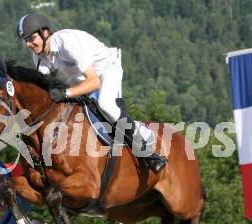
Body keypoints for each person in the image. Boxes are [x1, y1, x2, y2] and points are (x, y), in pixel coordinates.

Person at [16, 13, 166, 174]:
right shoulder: (38, 56)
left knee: (105, 105)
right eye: (26, 40)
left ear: (45, 33)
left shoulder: (68, 42)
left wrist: (66, 93)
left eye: (31, 39)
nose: (28, 44)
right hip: (78, 79)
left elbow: (94, 82)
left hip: (106, 71)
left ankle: (146, 151)